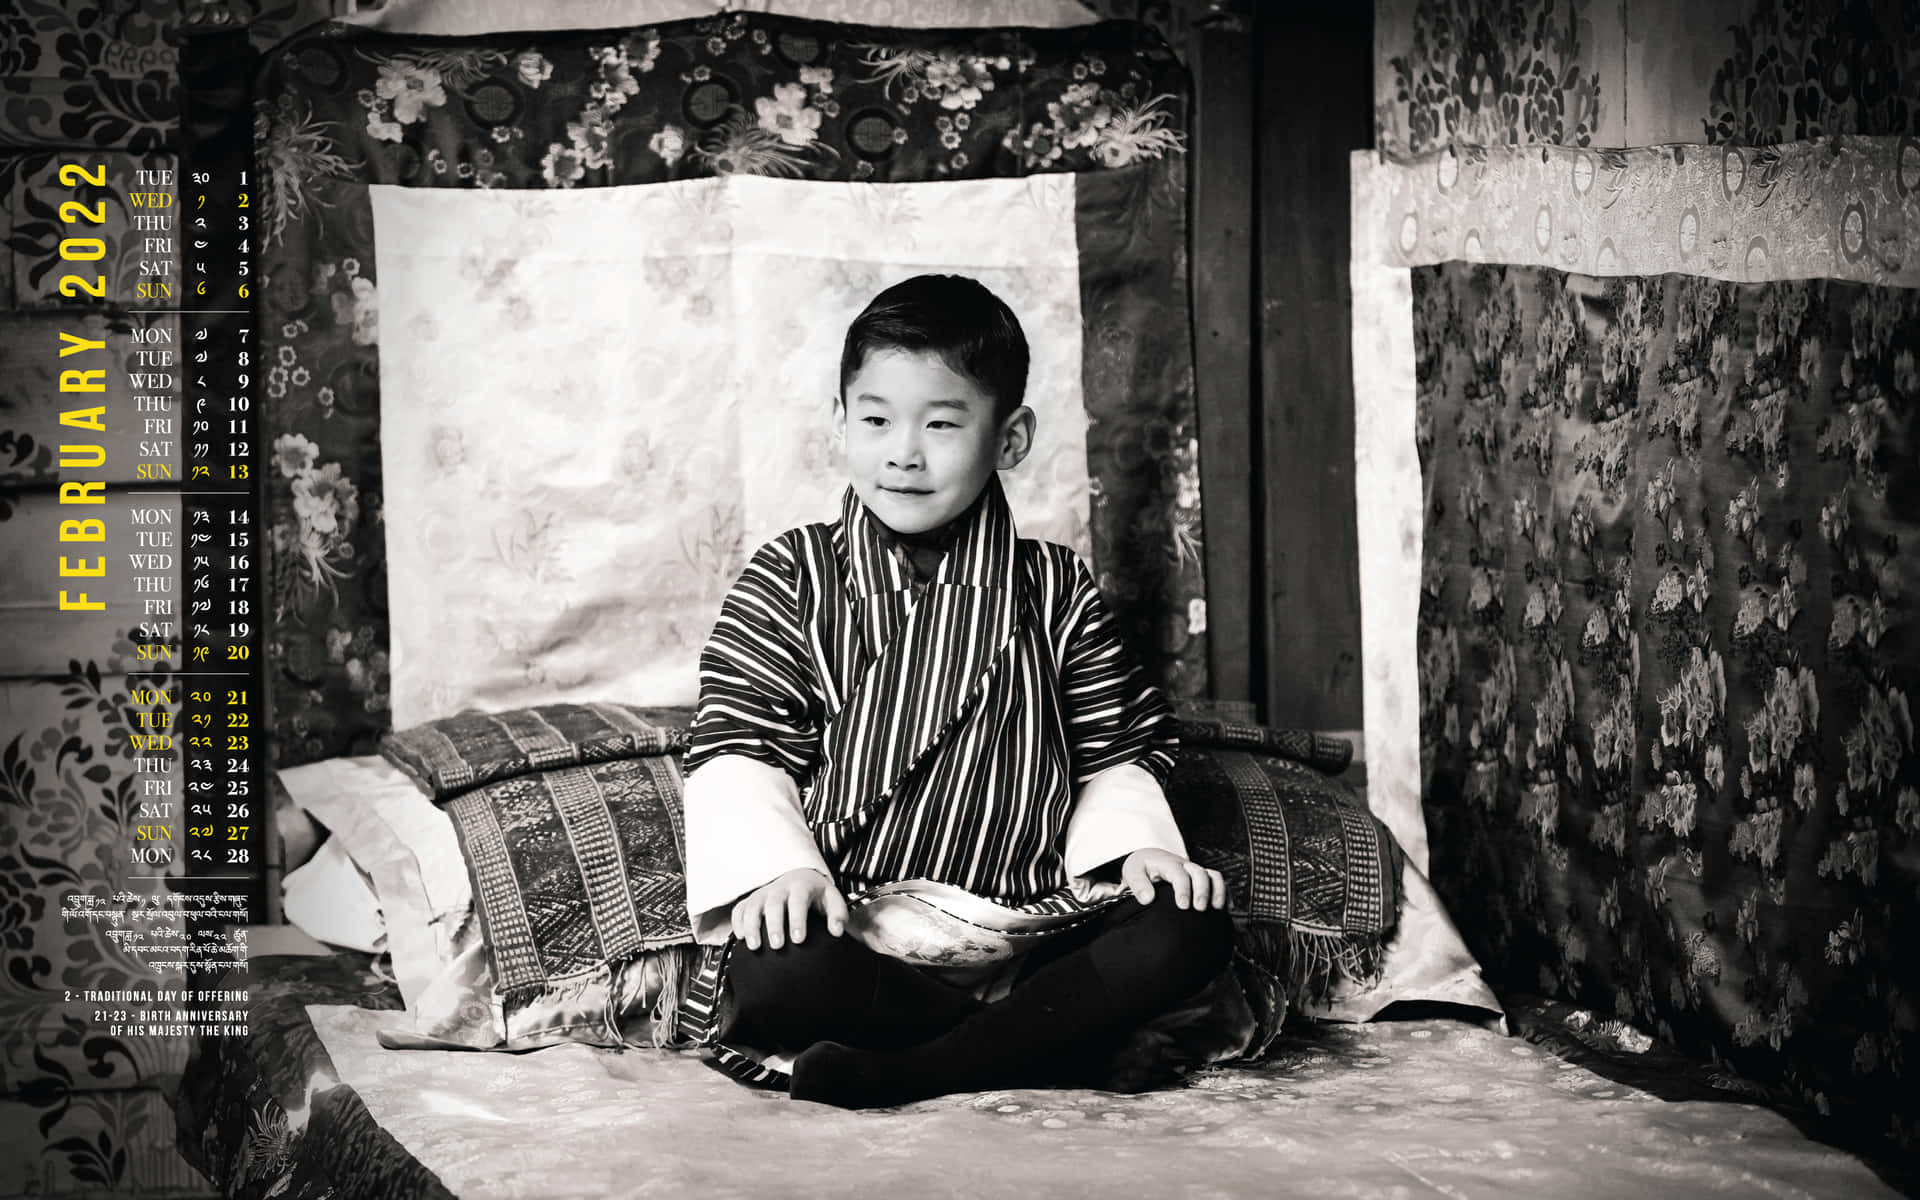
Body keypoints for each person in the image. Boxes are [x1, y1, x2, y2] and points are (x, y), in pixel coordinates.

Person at [680, 273, 1232, 1110]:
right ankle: (1050, 1048)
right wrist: (780, 874)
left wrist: (1138, 852)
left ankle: (920, 1068)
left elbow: (1114, 752)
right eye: (875, 421)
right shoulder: (791, 575)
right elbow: (738, 744)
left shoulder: (1052, 586)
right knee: (778, 971)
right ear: (840, 424)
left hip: (1031, 924)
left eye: (942, 424)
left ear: (1010, 439)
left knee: (1188, 930)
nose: (903, 451)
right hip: (858, 919)